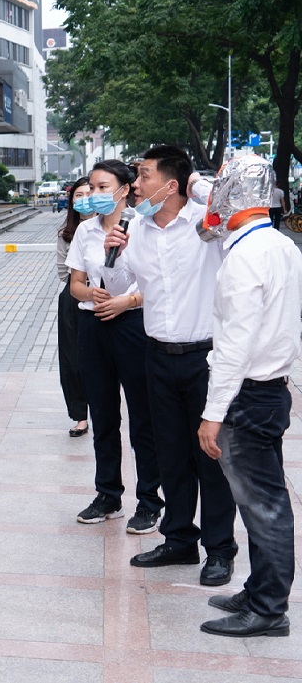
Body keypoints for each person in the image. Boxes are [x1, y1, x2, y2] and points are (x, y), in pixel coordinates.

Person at [104, 145, 238, 585]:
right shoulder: (136, 229)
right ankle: (179, 539)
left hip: (205, 358)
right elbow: (118, 285)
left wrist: (198, 185)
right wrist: (111, 251)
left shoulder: (207, 225)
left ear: (172, 184)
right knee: (171, 454)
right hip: (157, 356)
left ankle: (219, 549)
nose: (136, 185)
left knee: (210, 456)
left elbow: (231, 202)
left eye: (144, 176)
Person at [196, 151, 299, 638]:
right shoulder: (280, 245)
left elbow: (235, 346)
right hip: (270, 392)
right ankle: (260, 590)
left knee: (264, 506)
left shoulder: (244, 257)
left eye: (220, 184)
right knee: (262, 500)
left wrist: (212, 414)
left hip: (248, 395)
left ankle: (268, 609)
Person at [67, 161, 159, 529]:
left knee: (143, 417)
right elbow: (75, 284)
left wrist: (127, 301)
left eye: (103, 187)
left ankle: (149, 501)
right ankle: (108, 494)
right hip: (93, 325)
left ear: (124, 189)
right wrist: (91, 293)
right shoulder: (86, 230)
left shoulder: (144, 227)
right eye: (91, 187)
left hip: (133, 325)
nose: (94, 194)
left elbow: (159, 284)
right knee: (103, 416)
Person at [54, 178, 96, 436]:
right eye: (78, 196)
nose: (84, 200)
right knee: (72, 359)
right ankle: (80, 415)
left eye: (88, 193)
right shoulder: (66, 233)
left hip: (107, 297)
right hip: (73, 298)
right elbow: (63, 273)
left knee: (101, 358)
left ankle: (105, 408)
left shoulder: (113, 226)